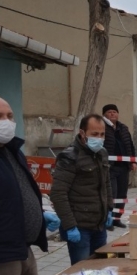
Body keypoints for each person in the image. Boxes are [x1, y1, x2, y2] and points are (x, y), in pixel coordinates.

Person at [0, 96, 60, 275]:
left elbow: (20, 190)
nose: (7, 121)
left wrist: (40, 212)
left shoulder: (12, 152)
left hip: (24, 250)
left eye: (10, 116)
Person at [51, 114, 114, 265]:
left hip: (99, 225)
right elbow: (58, 193)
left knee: (100, 269)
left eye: (102, 134)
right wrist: (70, 226)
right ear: (82, 133)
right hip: (79, 228)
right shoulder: (70, 157)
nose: (99, 138)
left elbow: (106, 183)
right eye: (94, 134)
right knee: (82, 273)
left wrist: (109, 209)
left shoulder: (102, 153)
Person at [102, 104, 137, 229]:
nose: (112, 114)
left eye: (114, 112)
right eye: (109, 112)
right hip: (110, 167)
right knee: (112, 194)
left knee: (122, 194)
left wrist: (133, 161)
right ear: (104, 114)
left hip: (123, 167)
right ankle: (109, 220)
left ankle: (117, 219)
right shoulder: (102, 128)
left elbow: (130, 146)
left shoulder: (123, 128)